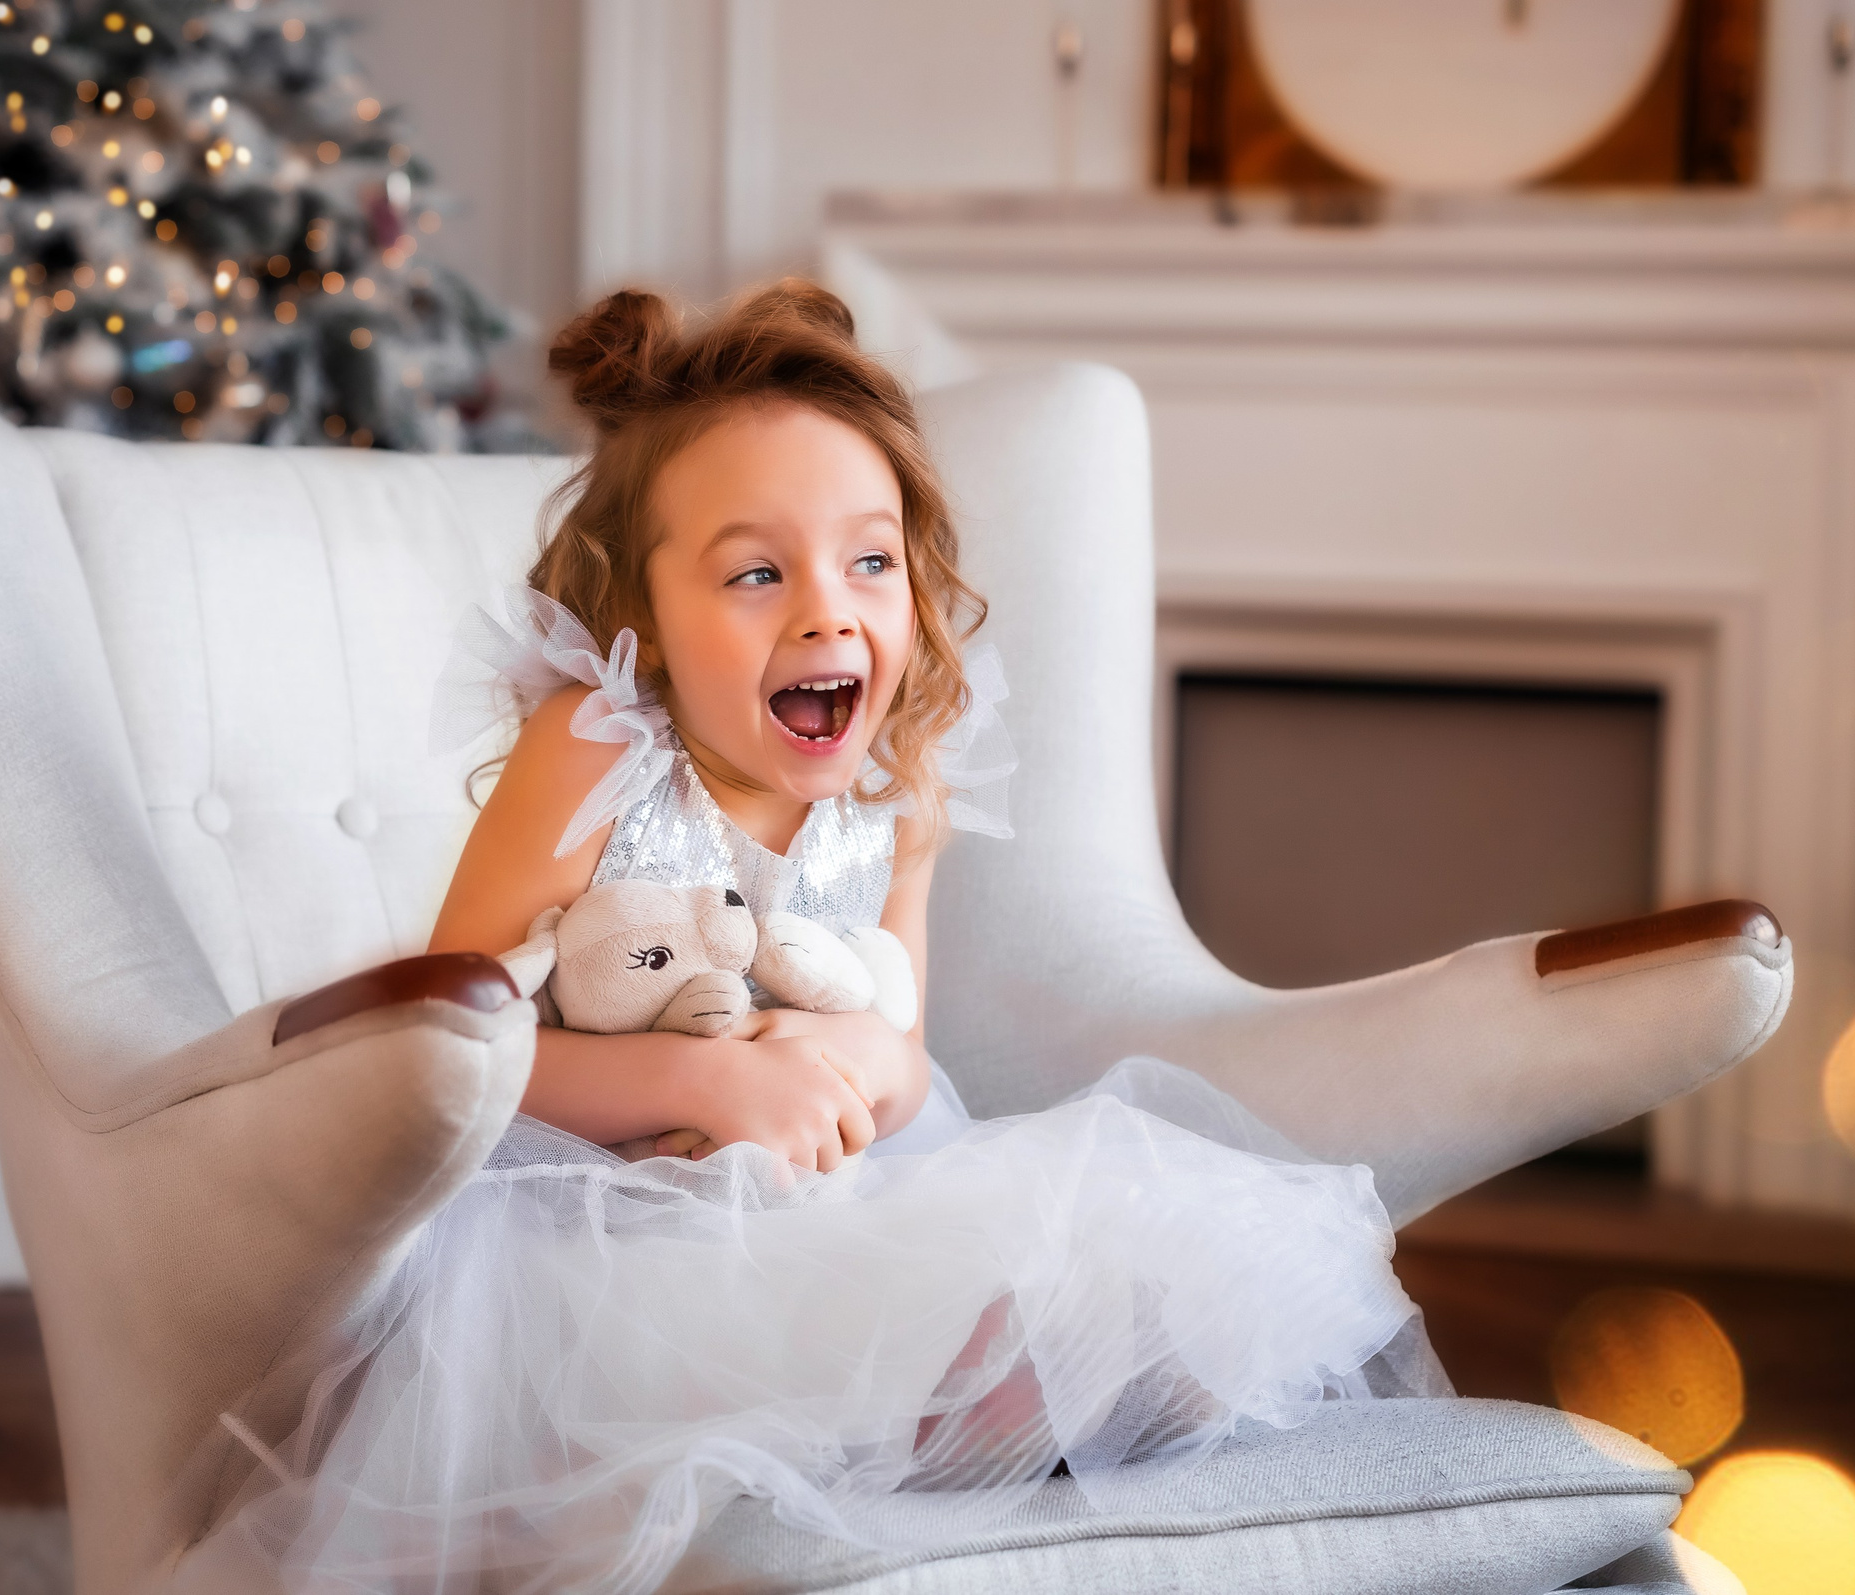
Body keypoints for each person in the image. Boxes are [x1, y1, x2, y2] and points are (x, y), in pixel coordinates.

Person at [180, 281, 1446, 1595]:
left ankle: (1001, 1427)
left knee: (1127, 1267)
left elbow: (898, 1038)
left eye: (871, 562)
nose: (829, 613)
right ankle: (923, 1431)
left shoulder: (901, 783)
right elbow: (445, 1049)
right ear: (643, 615)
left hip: (838, 1188)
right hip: (595, 1230)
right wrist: (702, 1077)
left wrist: (862, 1070)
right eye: (755, 573)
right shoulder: (600, 746)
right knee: (755, 1342)